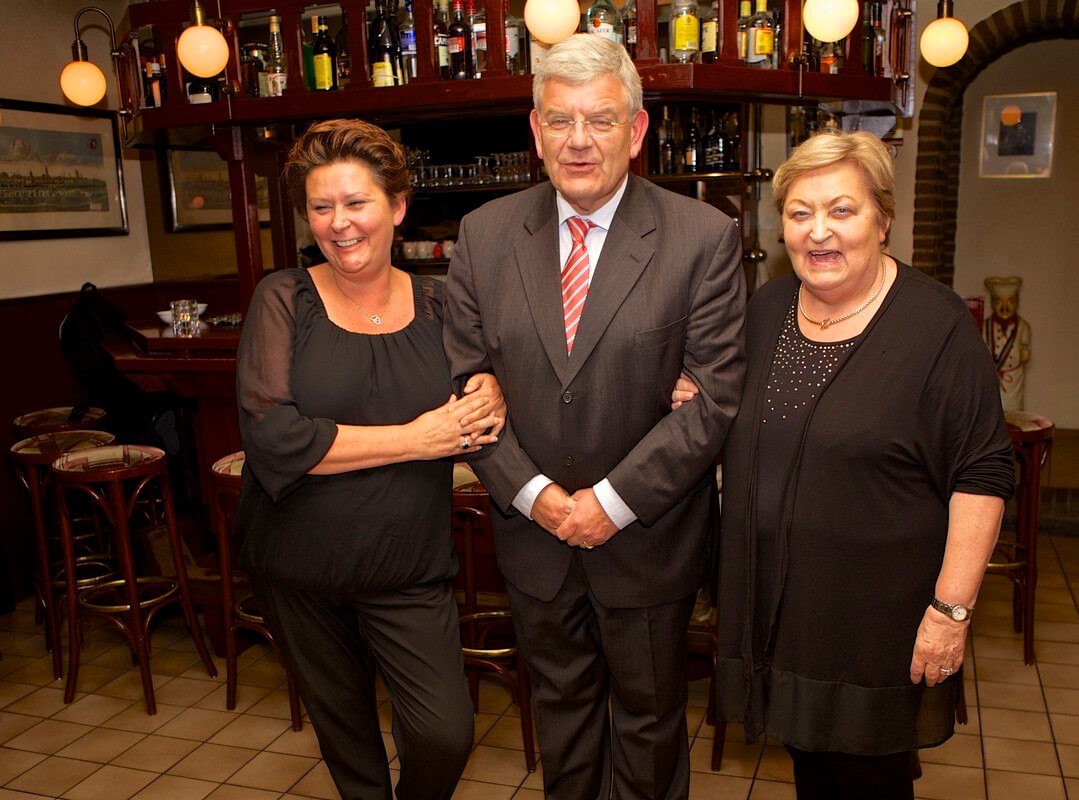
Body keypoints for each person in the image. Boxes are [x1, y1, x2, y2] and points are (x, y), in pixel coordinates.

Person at [443, 34, 746, 800]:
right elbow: (465, 386)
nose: (579, 140)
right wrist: (536, 496)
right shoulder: (483, 237)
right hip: (533, 542)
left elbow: (712, 398)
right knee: (562, 723)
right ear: (535, 131)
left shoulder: (701, 238)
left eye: (601, 120)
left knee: (647, 730)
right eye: (560, 120)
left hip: (644, 539)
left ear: (637, 131)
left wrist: (607, 506)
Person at [713, 130, 1016, 799]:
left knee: (866, 783)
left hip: (876, 624)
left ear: (882, 219)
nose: (817, 232)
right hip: (779, 611)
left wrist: (950, 611)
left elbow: (982, 473)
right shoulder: (764, 312)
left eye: (841, 210)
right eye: (798, 213)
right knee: (814, 777)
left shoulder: (933, 327)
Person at [234, 118, 505, 800]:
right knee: (348, 741)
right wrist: (417, 438)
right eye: (322, 207)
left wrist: (493, 387)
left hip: (407, 567)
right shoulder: (283, 299)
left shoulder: (442, 303)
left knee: (444, 732)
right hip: (300, 564)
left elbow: (489, 388)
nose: (340, 224)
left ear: (397, 207)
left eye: (356, 203)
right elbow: (274, 439)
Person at [983, 275, 1032, 410]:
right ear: (992, 302)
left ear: (1017, 302)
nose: (1004, 307)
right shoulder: (984, 326)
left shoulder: (1023, 327)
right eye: (998, 301)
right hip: (992, 378)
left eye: (1010, 301)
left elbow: (1025, 353)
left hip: (1013, 380)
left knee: (1013, 413)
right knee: (991, 410)